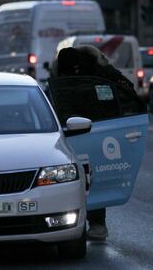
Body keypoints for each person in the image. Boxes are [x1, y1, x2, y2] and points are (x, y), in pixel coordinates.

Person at [51, 45, 135, 240]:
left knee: (92, 175)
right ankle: (70, 222)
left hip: (99, 127)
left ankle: (97, 224)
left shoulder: (100, 70)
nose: (72, 75)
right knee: (72, 178)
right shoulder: (59, 74)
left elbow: (126, 88)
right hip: (70, 128)